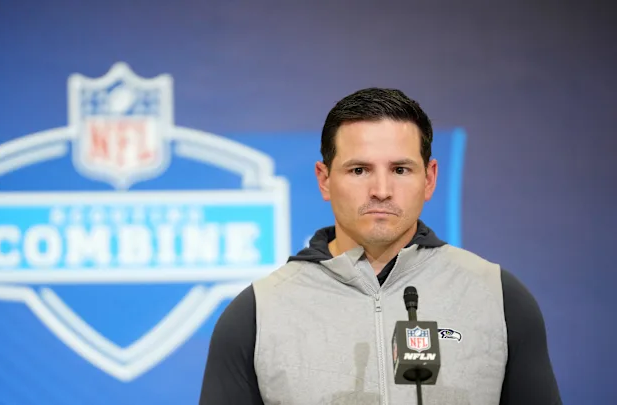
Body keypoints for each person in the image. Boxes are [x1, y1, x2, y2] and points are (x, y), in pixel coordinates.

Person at [198, 88, 562, 405]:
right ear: (324, 180)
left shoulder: (499, 298)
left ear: (429, 178)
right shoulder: (257, 313)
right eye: (359, 170)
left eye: (400, 170)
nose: (381, 191)